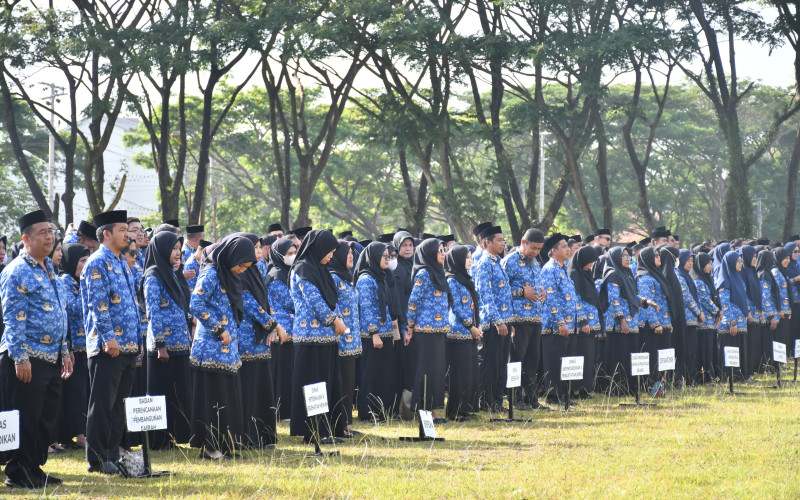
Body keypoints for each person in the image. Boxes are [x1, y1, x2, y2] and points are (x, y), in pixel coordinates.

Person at [0, 210, 72, 488]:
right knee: (26, 416)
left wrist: (65, 351)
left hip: (51, 356)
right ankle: (17, 472)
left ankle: (34, 467)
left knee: (45, 416)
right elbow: (12, 319)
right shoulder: (16, 271)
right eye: (42, 232)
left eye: (51, 232)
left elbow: (60, 313)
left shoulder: (49, 268)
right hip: (27, 357)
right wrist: (20, 358)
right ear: (26, 239)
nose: (49, 237)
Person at [81, 210, 140, 475]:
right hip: (109, 347)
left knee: (119, 405)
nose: (127, 234)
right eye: (122, 230)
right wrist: (109, 338)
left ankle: (111, 454)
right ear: (107, 234)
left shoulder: (120, 261)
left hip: (127, 346)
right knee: (103, 404)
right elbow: (98, 305)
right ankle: (97, 458)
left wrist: (135, 342)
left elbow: (132, 306)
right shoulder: (97, 262)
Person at [189, 235, 254, 459]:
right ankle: (210, 448)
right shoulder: (211, 274)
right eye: (241, 265)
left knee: (227, 397)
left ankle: (226, 445)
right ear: (231, 256)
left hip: (229, 351)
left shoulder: (229, 275)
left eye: (246, 267)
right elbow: (195, 303)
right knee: (213, 398)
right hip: (210, 348)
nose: (242, 270)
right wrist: (217, 328)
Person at [288, 229, 348, 443]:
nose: (331, 256)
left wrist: (339, 319)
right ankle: (312, 432)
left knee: (327, 384)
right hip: (309, 338)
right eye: (328, 251)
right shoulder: (303, 269)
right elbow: (314, 301)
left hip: (327, 338)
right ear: (318, 248)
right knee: (313, 385)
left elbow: (333, 299)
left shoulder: (321, 270)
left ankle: (325, 429)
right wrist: (334, 320)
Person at [140, 231, 193, 449]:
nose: (178, 252)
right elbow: (153, 313)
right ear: (162, 250)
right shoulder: (153, 276)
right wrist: (161, 345)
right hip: (163, 348)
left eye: (179, 248)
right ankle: (158, 440)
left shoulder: (172, 273)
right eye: (173, 248)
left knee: (177, 393)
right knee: (161, 394)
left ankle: (175, 437)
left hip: (180, 344)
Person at [237, 234, 284, 449]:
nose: (258, 251)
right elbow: (248, 303)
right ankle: (247, 437)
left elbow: (265, 302)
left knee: (261, 387)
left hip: (262, 337)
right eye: (254, 248)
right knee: (248, 387)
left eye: (258, 247)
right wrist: (273, 325)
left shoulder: (257, 271)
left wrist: (271, 326)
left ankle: (263, 436)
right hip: (246, 337)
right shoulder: (239, 273)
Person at [502, 228, 547, 410]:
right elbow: (501, 290)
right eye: (533, 248)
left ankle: (532, 399)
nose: (536, 252)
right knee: (516, 360)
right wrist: (522, 292)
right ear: (523, 243)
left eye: (539, 249)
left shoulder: (536, 263)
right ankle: (514, 399)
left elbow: (535, 286)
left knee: (532, 361)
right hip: (517, 320)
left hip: (535, 319)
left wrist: (542, 292)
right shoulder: (509, 262)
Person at [405, 238, 450, 420]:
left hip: (439, 330)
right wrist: (409, 327)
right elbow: (413, 302)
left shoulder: (439, 272)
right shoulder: (424, 273)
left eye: (443, 250)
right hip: (425, 330)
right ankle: (423, 411)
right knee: (426, 371)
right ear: (430, 253)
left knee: (437, 371)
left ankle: (432, 409)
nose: (443, 254)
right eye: (439, 250)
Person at [599, 247, 653, 395]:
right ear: (615, 258)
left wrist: (646, 302)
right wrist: (622, 321)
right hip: (619, 325)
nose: (628, 258)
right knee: (620, 356)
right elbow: (614, 300)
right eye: (624, 256)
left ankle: (630, 387)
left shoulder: (627, 273)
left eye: (629, 256)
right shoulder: (613, 275)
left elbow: (631, 296)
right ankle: (618, 389)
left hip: (632, 323)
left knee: (630, 356)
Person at [472, 226, 514, 412]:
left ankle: (497, 400)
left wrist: (509, 321)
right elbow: (485, 296)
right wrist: (498, 321)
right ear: (487, 242)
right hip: (493, 324)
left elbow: (504, 295)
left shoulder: (497, 262)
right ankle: (488, 402)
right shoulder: (484, 264)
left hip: (504, 321)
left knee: (502, 364)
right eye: (499, 240)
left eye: (503, 239)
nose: (503, 243)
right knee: (491, 364)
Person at [355, 242, 396, 422]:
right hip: (371, 336)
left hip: (385, 333)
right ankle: (368, 411)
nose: (388, 259)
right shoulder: (366, 279)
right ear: (373, 257)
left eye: (389, 256)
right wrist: (375, 334)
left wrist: (391, 333)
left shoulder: (382, 277)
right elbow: (367, 309)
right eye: (384, 256)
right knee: (371, 375)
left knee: (384, 374)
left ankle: (382, 410)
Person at [57, 244, 91, 450]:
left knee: (85, 392)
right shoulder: (64, 283)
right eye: (81, 261)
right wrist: (67, 347)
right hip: (71, 348)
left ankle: (84, 430)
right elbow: (68, 312)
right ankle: (78, 434)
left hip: (88, 347)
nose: (85, 266)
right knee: (75, 393)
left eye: (88, 261)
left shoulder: (84, 282)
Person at [443, 245, 481, 420]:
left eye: (470, 257)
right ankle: (455, 411)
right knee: (459, 375)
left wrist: (477, 326)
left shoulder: (466, 279)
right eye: (466, 258)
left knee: (470, 373)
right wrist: (471, 326)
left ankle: (466, 408)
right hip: (458, 333)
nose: (470, 260)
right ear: (456, 260)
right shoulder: (452, 280)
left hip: (470, 332)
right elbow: (457, 308)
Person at [327, 240, 361, 436]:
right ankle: (339, 423)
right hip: (340, 339)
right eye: (347, 253)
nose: (351, 256)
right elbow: (333, 305)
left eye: (352, 253)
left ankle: (346, 422)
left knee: (349, 381)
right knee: (341, 381)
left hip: (352, 339)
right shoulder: (333, 278)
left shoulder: (346, 277)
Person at [540, 233, 577, 404]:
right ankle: (553, 395)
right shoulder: (549, 269)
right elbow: (550, 298)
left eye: (567, 246)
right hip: (554, 325)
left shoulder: (563, 269)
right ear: (554, 251)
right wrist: (560, 321)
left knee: (565, 361)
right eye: (564, 246)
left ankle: (564, 394)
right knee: (554, 362)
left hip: (568, 324)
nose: (568, 249)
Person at [267, 238, 297, 421]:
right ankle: (282, 410)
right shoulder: (276, 276)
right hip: (280, 332)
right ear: (279, 255)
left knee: (289, 372)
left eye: (294, 253)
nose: (292, 257)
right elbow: (290, 302)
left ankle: (288, 409)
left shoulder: (287, 273)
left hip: (291, 331)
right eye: (288, 253)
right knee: (282, 373)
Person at [635, 247, 672, 388]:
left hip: (664, 322)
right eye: (655, 255)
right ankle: (651, 385)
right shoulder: (644, 278)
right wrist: (655, 323)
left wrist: (669, 322)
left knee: (663, 357)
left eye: (659, 255)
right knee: (652, 357)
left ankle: (662, 385)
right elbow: (647, 303)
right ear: (647, 258)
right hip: (652, 326)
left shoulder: (657, 275)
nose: (658, 257)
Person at [566, 246, 600, 399]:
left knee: (589, 357)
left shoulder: (586, 275)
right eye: (590, 262)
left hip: (591, 324)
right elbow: (576, 301)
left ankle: (585, 389)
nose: (591, 265)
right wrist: (583, 320)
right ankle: (575, 390)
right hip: (581, 325)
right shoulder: (574, 276)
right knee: (580, 356)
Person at [715, 251, 750, 382]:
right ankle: (729, 377)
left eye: (741, 261)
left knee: (740, 348)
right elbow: (725, 304)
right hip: (730, 324)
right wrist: (732, 322)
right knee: (731, 349)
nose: (741, 264)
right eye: (738, 261)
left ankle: (741, 376)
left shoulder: (738, 278)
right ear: (730, 262)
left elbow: (744, 299)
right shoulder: (724, 281)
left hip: (741, 322)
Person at [392, 231, 415, 410]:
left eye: (410, 245)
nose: (408, 249)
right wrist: (404, 326)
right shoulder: (396, 268)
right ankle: (402, 405)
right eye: (404, 245)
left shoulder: (416, 265)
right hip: (403, 322)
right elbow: (399, 299)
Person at [690, 252, 721, 383]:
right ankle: (704, 376)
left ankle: (712, 375)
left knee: (711, 348)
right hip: (704, 321)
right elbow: (704, 299)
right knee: (704, 349)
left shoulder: (707, 279)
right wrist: (717, 311)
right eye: (707, 264)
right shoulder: (697, 280)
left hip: (712, 321)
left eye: (711, 264)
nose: (710, 266)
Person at [676, 250, 705, 385]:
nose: (690, 264)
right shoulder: (680, 276)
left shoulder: (687, 276)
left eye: (692, 262)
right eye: (688, 261)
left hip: (692, 319)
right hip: (686, 319)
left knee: (692, 350)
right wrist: (699, 312)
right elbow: (687, 298)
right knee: (687, 350)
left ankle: (690, 378)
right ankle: (685, 379)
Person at [739, 245, 762, 381]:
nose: (754, 259)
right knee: (748, 344)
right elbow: (744, 294)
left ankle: (751, 372)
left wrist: (761, 310)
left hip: (756, 313)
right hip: (748, 315)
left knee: (754, 343)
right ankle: (745, 373)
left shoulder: (753, 271)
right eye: (752, 256)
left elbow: (757, 293)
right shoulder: (743, 272)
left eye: (755, 257)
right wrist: (748, 311)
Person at [756, 249, 781, 375]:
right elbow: (765, 298)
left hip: (768, 315)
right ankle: (767, 367)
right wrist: (771, 316)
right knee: (766, 343)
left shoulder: (765, 273)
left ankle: (771, 366)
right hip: (766, 317)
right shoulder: (764, 275)